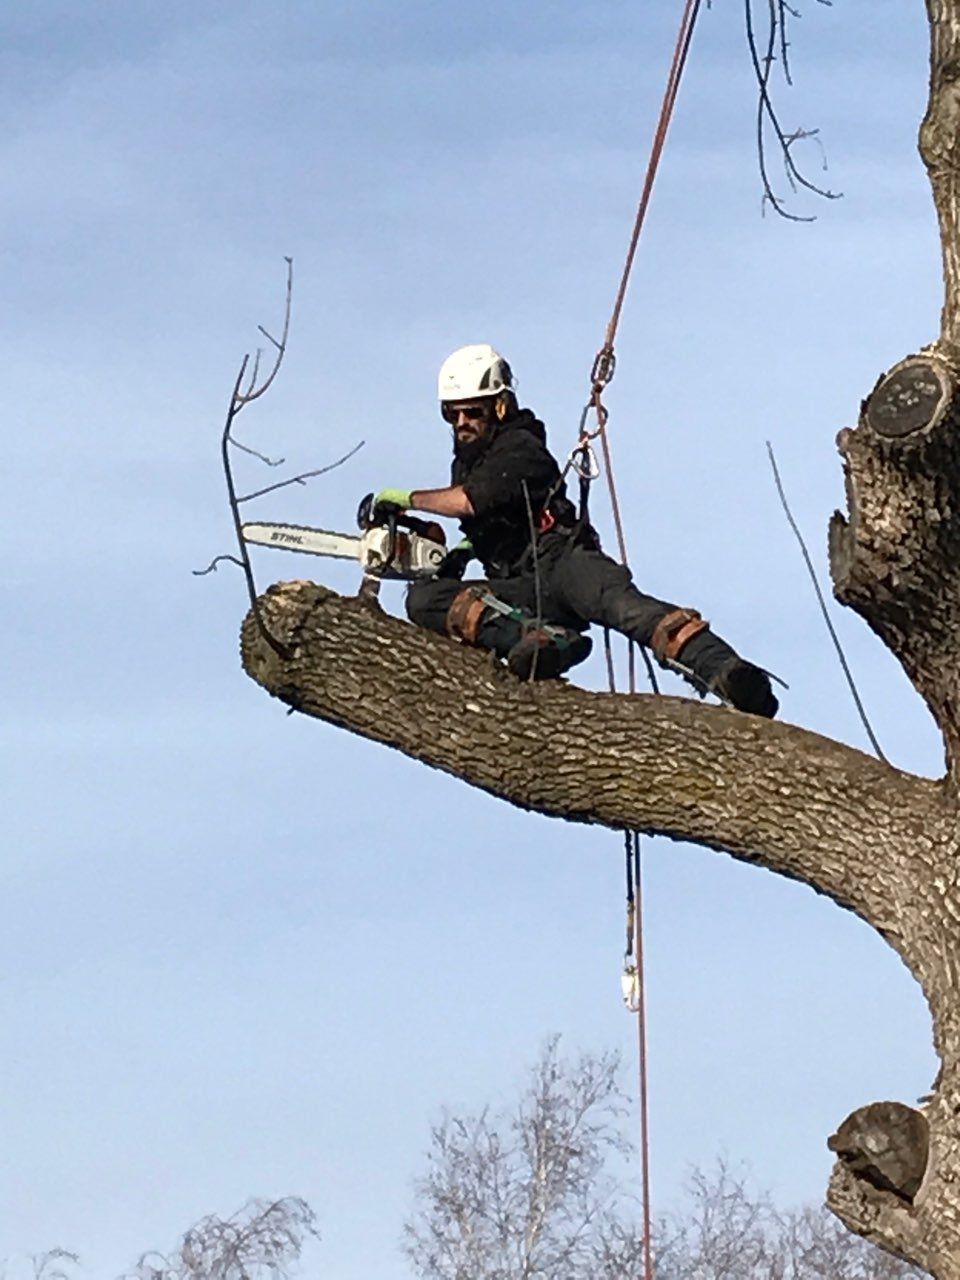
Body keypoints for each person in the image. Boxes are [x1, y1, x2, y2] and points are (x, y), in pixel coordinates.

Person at [370, 344, 777, 717]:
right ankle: (544, 640)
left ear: (499, 406)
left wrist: (405, 499)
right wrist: (462, 551)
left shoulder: (522, 448)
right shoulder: (468, 462)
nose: (461, 422)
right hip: (520, 585)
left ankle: (729, 673)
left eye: (472, 411)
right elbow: (491, 520)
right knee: (424, 598)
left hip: (566, 561)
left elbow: (475, 499)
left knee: (628, 610)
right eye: (451, 413)